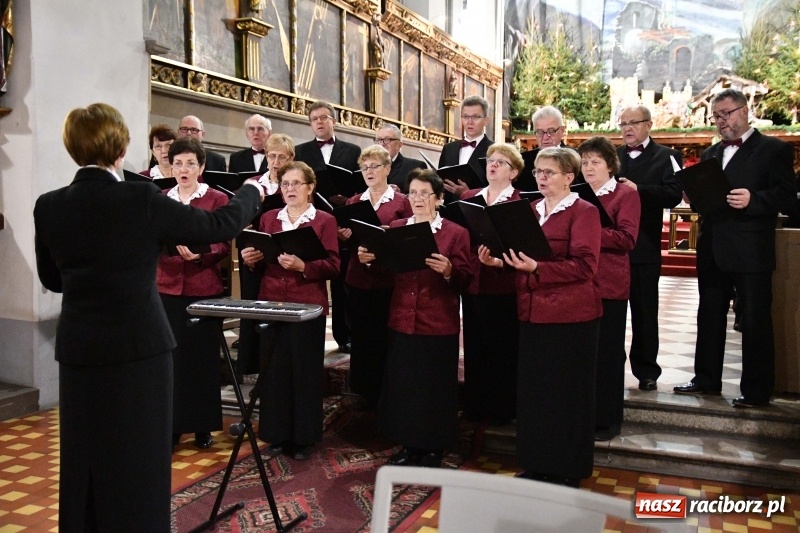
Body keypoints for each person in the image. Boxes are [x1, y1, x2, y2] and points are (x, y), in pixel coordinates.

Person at [33, 103, 262, 532]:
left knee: (85, 454)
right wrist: (251, 192)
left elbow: (53, 279)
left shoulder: (49, 205)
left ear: (72, 148)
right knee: (138, 454)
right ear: (121, 148)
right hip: (139, 347)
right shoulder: (141, 198)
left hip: (80, 349)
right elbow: (218, 226)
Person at [480, 146, 600, 487]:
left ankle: (567, 469)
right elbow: (523, 257)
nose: (542, 178)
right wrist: (500, 264)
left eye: (549, 172)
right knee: (535, 394)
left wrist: (537, 268)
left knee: (567, 395)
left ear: (569, 177)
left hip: (571, 317)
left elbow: (586, 266)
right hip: (532, 313)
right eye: (538, 172)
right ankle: (536, 462)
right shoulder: (531, 210)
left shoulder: (584, 212)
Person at [673, 89, 796, 407]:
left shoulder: (773, 150)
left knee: (755, 320)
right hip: (714, 245)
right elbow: (710, 199)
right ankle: (706, 380)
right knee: (709, 314)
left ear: (745, 111)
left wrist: (754, 200)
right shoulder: (711, 152)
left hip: (751, 247)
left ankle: (756, 391)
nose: (721, 120)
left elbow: (786, 195)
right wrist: (693, 197)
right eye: (716, 115)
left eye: (726, 113)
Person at [373, 169, 472, 468]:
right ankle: (408, 444)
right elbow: (386, 273)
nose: (416, 199)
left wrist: (448, 271)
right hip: (402, 317)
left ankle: (433, 447)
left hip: (437, 320)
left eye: (424, 194)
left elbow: (467, 280)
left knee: (435, 387)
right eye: (412, 193)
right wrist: (371, 261)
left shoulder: (456, 233)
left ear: (439, 199)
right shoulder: (396, 227)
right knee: (405, 385)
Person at [241, 161, 340, 460]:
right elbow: (261, 260)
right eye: (285, 184)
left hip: (307, 306)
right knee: (274, 372)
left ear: (310, 188)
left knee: (304, 373)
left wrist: (304, 266)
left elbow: (335, 265)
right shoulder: (270, 218)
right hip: (272, 303)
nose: (291, 189)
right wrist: (251, 259)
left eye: (297, 183)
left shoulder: (323, 221)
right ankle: (277, 434)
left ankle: (304, 438)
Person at [156, 137, 232, 451]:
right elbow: (150, 239)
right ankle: (172, 426)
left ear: (201, 167)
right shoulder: (160, 199)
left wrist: (201, 253)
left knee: (201, 359)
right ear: (170, 167)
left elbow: (225, 242)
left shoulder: (215, 199)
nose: (184, 169)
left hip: (203, 287)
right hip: (167, 287)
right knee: (171, 359)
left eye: (190, 163)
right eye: (178, 163)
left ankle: (202, 426)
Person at [577, 137, 641, 441]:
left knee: (608, 354)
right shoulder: (577, 194)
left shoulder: (624, 195)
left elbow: (627, 238)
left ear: (610, 165)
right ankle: (583, 416)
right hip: (578, 284)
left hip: (609, 284)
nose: (589, 168)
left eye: (595, 162)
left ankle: (607, 420)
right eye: (585, 162)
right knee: (584, 356)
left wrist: (587, 230)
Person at [616, 105, 683, 391]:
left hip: (644, 245)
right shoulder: (613, 157)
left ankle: (646, 370)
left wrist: (638, 189)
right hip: (611, 246)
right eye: (623, 124)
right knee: (611, 312)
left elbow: (672, 195)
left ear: (649, 124)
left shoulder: (666, 156)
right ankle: (609, 365)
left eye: (634, 123)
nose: (628, 128)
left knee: (644, 311)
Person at [339, 145, 411, 409]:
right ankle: (362, 390)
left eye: (374, 166)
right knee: (361, 335)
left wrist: (386, 235)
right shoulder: (354, 201)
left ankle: (386, 391)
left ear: (388, 169)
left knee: (384, 336)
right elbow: (349, 237)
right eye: (365, 167)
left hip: (388, 280)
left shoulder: (402, 202)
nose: (369, 171)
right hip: (358, 277)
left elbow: (408, 240)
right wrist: (345, 236)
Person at [460, 143, 524, 425]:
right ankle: (475, 406)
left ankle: (501, 408)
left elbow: (523, 245)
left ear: (514, 172)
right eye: (490, 161)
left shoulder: (519, 203)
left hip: (503, 283)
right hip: (474, 280)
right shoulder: (471, 197)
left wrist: (499, 261)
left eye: (501, 162)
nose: (493, 165)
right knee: (475, 346)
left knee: (502, 348)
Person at [294, 101, 361, 353]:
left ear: (334, 120)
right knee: (311, 274)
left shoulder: (352, 149)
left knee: (342, 281)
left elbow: (360, 185)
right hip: (312, 220)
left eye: (324, 118)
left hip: (343, 220)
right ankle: (308, 333)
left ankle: (345, 336)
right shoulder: (301, 151)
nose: (319, 122)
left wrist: (347, 199)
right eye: (314, 119)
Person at [236, 133, 294, 376]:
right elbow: (237, 219)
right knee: (253, 310)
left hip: (283, 257)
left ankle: (277, 370)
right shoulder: (253, 184)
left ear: (291, 158)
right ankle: (250, 368)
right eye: (272, 155)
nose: (276, 161)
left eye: (282, 156)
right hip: (254, 254)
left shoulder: (294, 184)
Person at [438, 95, 493, 199]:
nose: (470, 121)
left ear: (486, 120)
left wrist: (468, 193)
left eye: (476, 117)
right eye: (466, 117)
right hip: (450, 210)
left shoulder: (494, 150)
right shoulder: (449, 149)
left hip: (479, 210)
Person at [515, 106, 568, 191]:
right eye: (540, 132)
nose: (545, 137)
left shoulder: (577, 158)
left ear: (561, 131)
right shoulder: (522, 162)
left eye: (551, 131)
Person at [374, 124, 426, 192]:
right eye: (378, 140)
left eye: (387, 139)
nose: (381, 144)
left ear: (399, 145)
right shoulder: (368, 168)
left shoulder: (415, 167)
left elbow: (421, 195)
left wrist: (400, 194)